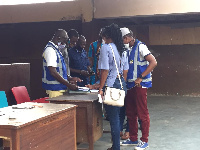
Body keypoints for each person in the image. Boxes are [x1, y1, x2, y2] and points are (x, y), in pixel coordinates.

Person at [121, 28, 157, 150]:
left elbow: (153, 62)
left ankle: (144, 140)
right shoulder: (127, 49)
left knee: (142, 113)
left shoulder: (141, 47)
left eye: (122, 40)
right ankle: (133, 138)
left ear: (127, 38)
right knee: (130, 113)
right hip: (130, 85)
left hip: (140, 85)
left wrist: (141, 77)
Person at [98, 23, 128, 150]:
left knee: (113, 119)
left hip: (111, 85)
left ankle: (116, 147)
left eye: (103, 37)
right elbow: (125, 70)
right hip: (121, 84)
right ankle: (116, 146)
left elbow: (104, 70)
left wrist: (100, 87)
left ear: (107, 36)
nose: (103, 39)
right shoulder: (122, 49)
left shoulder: (106, 47)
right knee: (119, 116)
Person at [42, 29, 81, 98]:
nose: (64, 44)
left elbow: (59, 70)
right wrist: (69, 85)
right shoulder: (50, 50)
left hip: (59, 88)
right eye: (64, 42)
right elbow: (53, 72)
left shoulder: (56, 50)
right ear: (58, 38)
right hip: (54, 89)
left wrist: (70, 78)